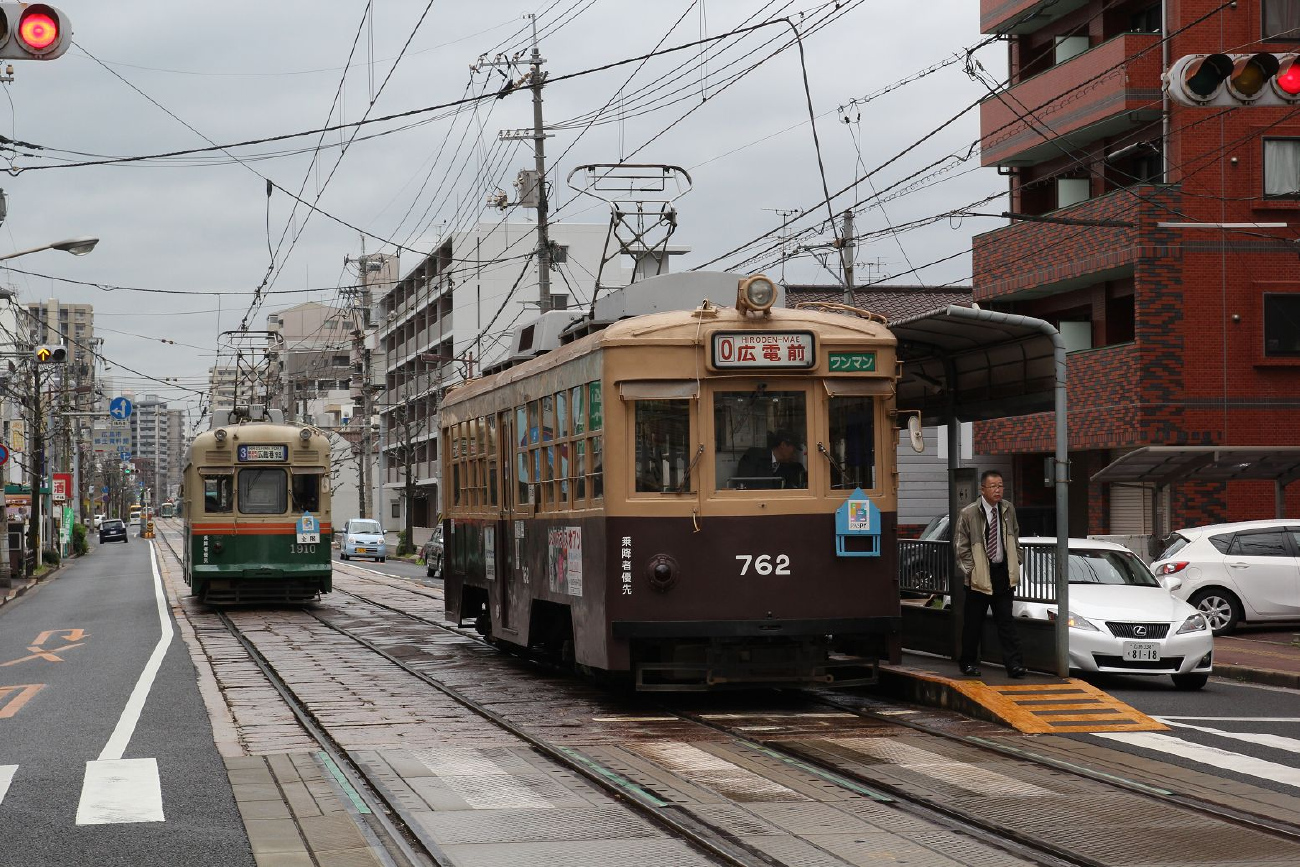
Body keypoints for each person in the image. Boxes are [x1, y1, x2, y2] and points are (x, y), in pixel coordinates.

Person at [954, 469, 1026, 679]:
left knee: (1007, 623)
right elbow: (960, 546)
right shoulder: (969, 513)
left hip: (1002, 574)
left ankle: (1014, 665)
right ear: (982, 489)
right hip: (979, 577)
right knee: (973, 623)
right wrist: (972, 571)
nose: (998, 490)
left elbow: (1016, 537)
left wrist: (1016, 560)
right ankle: (967, 662)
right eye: (993, 486)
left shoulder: (1008, 509)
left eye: (1001, 485)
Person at [735, 430, 807, 489]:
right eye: (794, 450)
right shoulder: (755, 457)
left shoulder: (790, 467)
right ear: (783, 445)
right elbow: (744, 484)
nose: (795, 454)